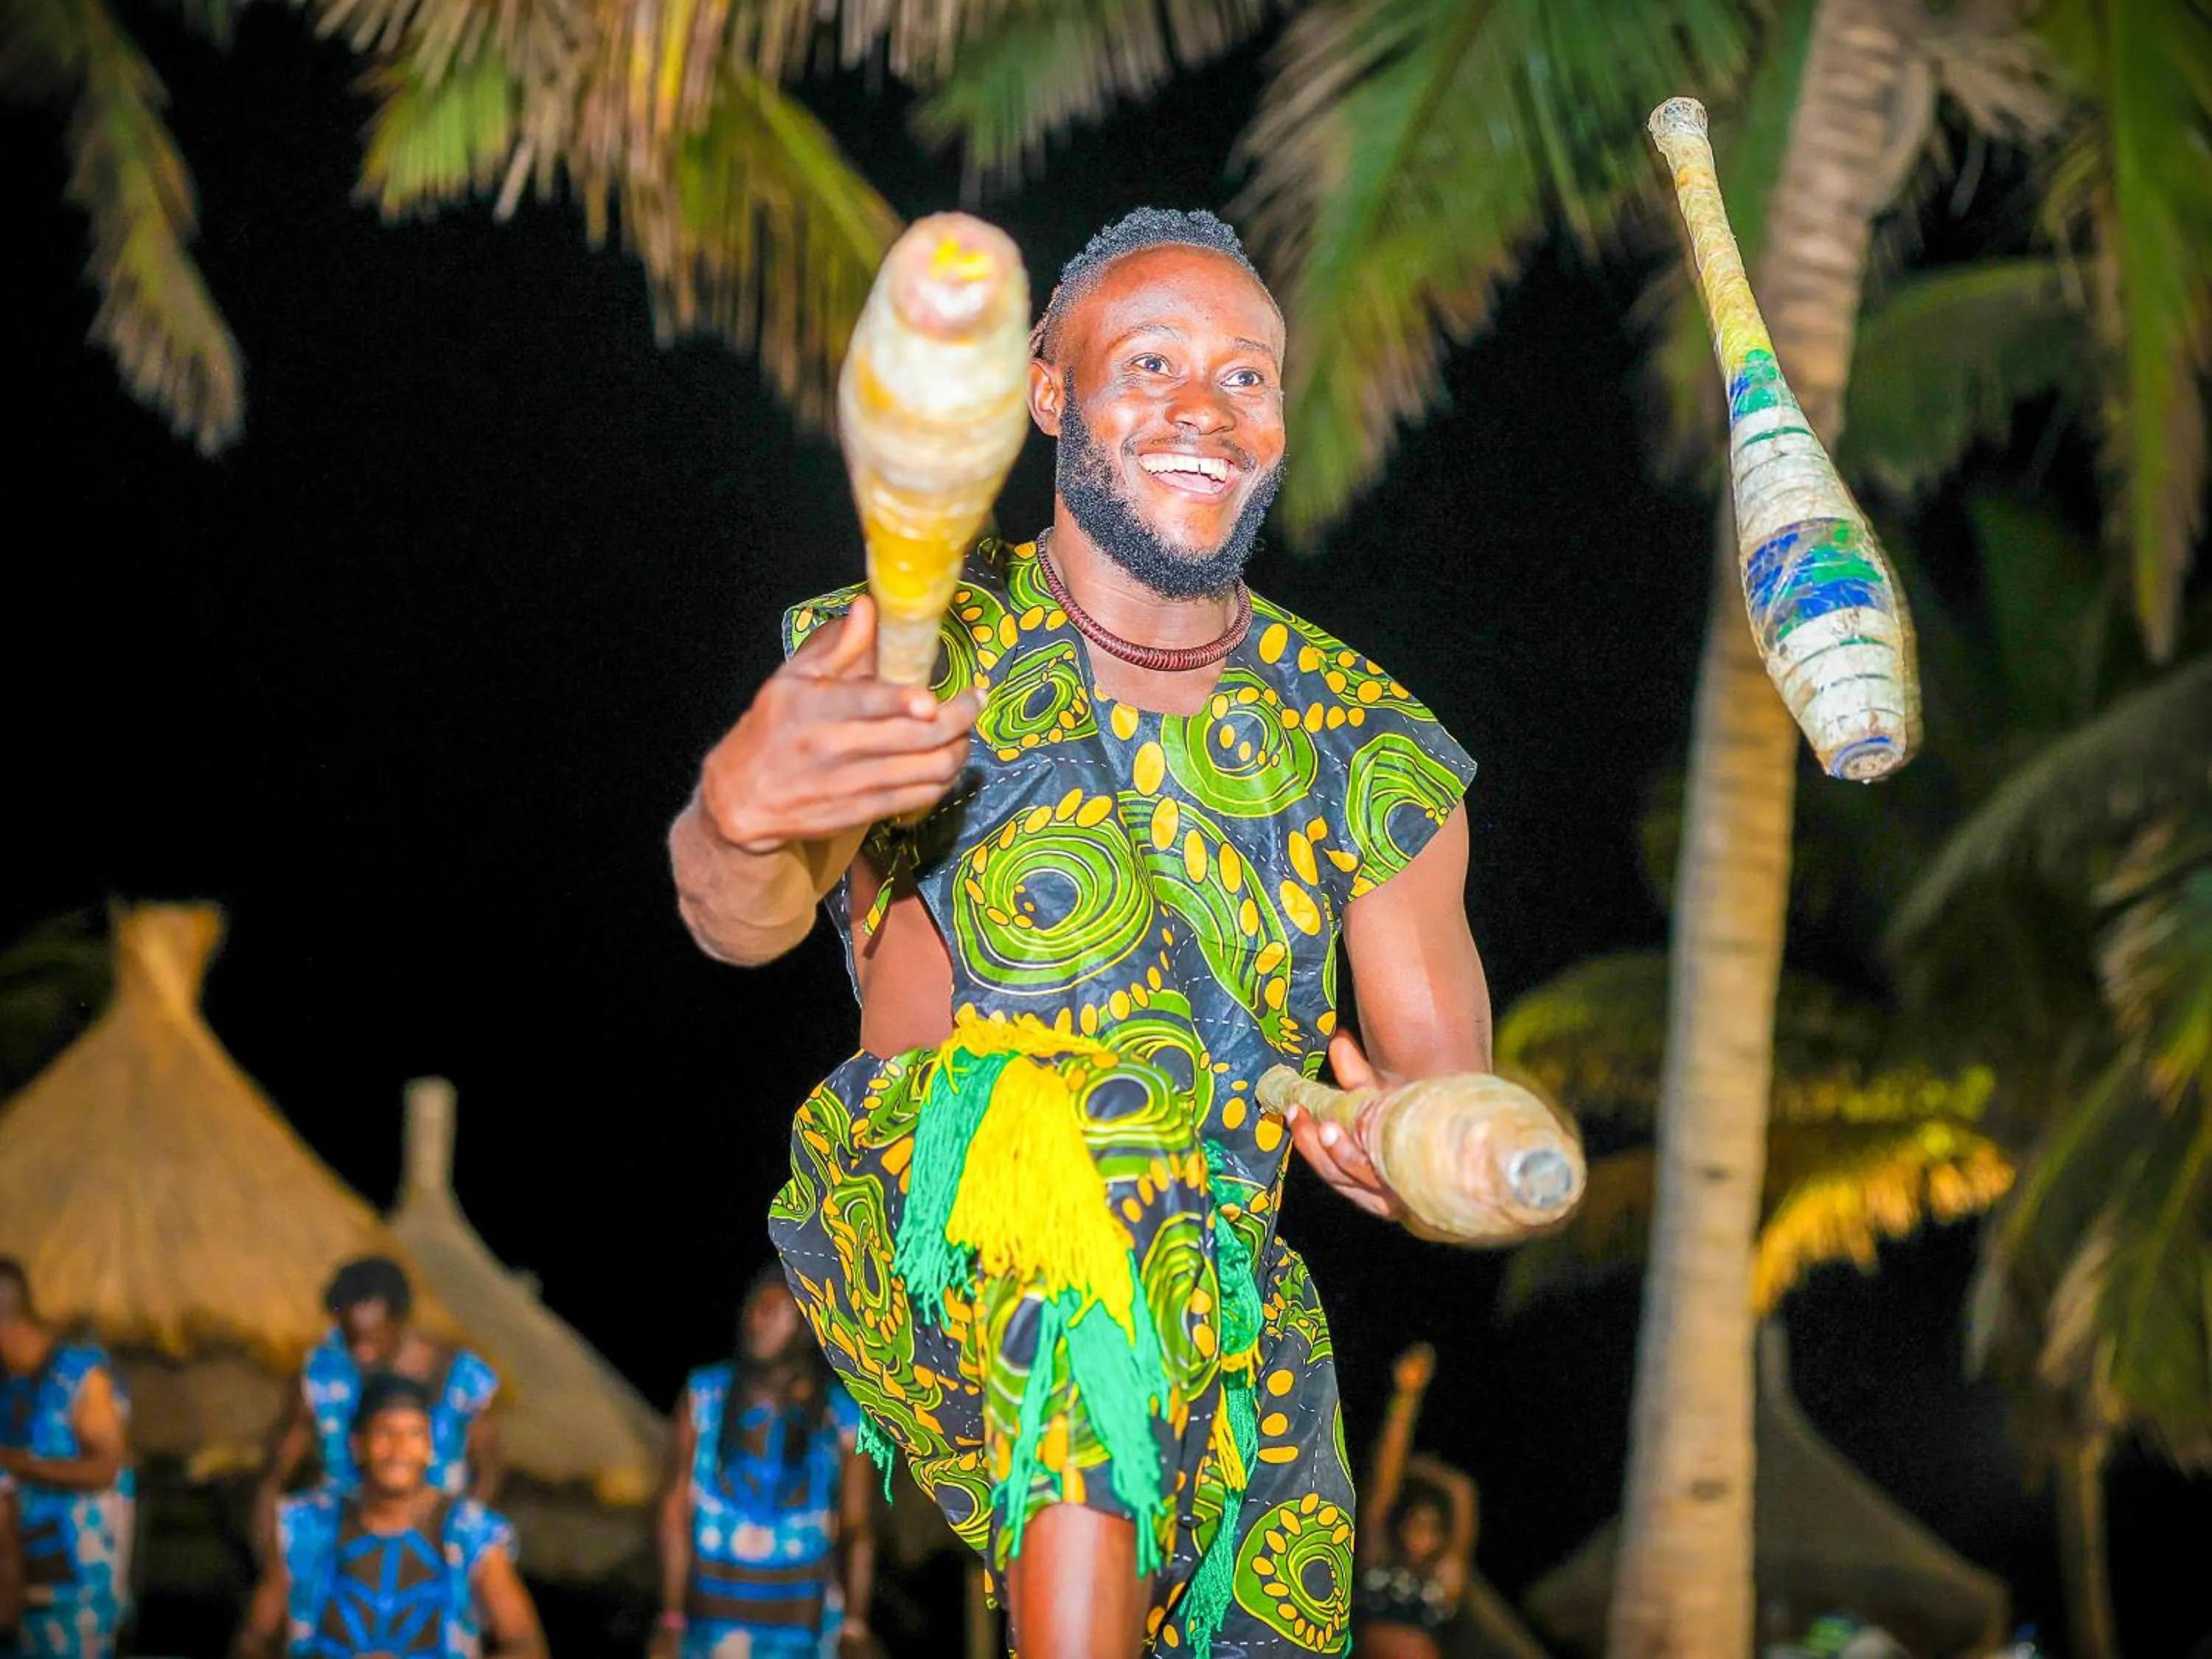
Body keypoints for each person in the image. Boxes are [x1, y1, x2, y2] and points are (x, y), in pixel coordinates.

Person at [671, 206, 1514, 1658]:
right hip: (954, 1211)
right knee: (1089, 1225)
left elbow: (1450, 1101)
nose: (1208, 406)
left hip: (1222, 1297)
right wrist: (734, 820)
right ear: (1051, 392)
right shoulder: (914, 644)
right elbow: (738, 923)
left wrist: (1440, 1162)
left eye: (1248, 375)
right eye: (1153, 363)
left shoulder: (1372, 745)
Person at [232, 1372, 544, 1659]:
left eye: (414, 1434)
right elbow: (252, 1644)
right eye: (385, 1433)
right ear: (356, 1445)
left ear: (430, 1447)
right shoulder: (309, 1527)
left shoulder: (467, 1531)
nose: (399, 1450)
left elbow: (527, 1648)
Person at [651, 1269, 877, 1659]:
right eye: (755, 1310)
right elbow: (675, 1510)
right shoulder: (704, 1397)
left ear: (807, 1326)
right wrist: (671, 1619)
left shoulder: (842, 1417)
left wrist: (855, 1626)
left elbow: (857, 1528)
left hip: (801, 1642)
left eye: (774, 1311)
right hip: (709, 1639)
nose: (758, 1322)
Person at [255, 1257, 501, 1554]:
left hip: (435, 1540)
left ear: (400, 1321)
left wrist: (459, 1539)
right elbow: (277, 1469)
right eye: (351, 1339)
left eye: (372, 1340)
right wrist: (269, 1537)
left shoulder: (460, 1377)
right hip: (343, 1544)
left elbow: (489, 1469)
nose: (362, 1353)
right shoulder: (321, 1376)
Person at [0, 1259, 134, 1659]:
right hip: (24, 1582)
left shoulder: (82, 1378)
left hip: (80, 1591)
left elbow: (105, 1468)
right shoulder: (11, 1383)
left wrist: (15, 1461)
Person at [1352, 1345, 1476, 1659]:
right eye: (1414, 1519)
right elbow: (1383, 1488)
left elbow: (1463, 1492)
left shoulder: (1444, 1579)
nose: (1419, 1528)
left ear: (1442, 1538)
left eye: (1431, 1525)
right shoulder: (1377, 1558)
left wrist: (1421, 1466)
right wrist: (1406, 1396)